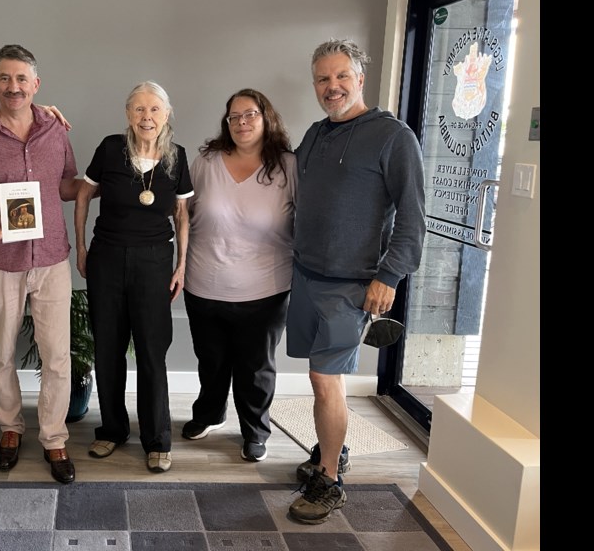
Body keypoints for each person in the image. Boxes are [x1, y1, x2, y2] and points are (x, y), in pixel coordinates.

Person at [286, 38, 425, 524]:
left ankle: (330, 481)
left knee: (327, 381)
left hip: (353, 284)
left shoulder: (393, 137)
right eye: (323, 79)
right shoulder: (315, 134)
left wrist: (389, 276)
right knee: (319, 376)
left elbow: (412, 218)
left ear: (360, 79)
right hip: (306, 275)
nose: (333, 87)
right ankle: (333, 449)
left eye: (342, 76)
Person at [0, 44, 81, 485]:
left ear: (36, 85)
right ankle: (10, 429)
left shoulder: (56, 130)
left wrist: (107, 185)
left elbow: (64, 187)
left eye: (22, 79)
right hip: (0, 261)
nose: (14, 86)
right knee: (2, 355)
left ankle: (53, 437)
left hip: (50, 259)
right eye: (5, 78)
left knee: (57, 357)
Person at [74, 80, 193, 473]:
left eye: (155, 109)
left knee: (151, 352)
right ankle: (111, 430)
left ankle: (157, 439)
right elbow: (82, 197)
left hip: (155, 262)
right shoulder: (110, 148)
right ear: (128, 115)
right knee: (108, 348)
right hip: (106, 258)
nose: (147, 117)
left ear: (166, 114)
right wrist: (82, 246)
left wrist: (181, 264)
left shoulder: (176, 156)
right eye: (139, 110)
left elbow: (182, 215)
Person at [181, 88, 296, 463]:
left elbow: (308, 220)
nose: (242, 123)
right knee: (211, 362)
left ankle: (255, 431)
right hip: (204, 284)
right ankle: (210, 414)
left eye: (250, 115)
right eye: (234, 117)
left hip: (266, 288)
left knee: (255, 368)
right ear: (226, 123)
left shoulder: (288, 166)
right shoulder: (206, 162)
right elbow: (182, 214)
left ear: (266, 118)